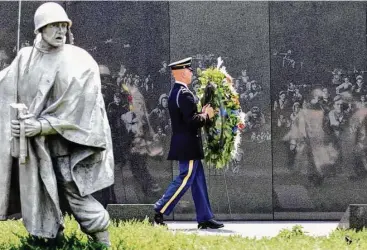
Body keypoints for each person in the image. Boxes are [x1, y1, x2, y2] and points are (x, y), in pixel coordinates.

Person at [1, 2, 113, 246]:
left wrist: (41, 126)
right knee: (37, 195)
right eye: (54, 26)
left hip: (66, 147)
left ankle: (103, 242)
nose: (61, 30)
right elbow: (5, 87)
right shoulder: (25, 58)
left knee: (75, 194)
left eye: (64, 25)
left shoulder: (79, 61)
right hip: (34, 149)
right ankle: (49, 240)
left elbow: (80, 109)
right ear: (40, 29)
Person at [153, 57, 224, 229]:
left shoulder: (176, 92)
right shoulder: (184, 94)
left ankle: (205, 217)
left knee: (198, 180)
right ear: (183, 73)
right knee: (185, 178)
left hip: (186, 144)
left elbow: (187, 118)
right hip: (188, 145)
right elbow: (192, 121)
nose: (192, 73)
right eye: (190, 70)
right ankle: (159, 209)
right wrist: (207, 115)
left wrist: (203, 113)